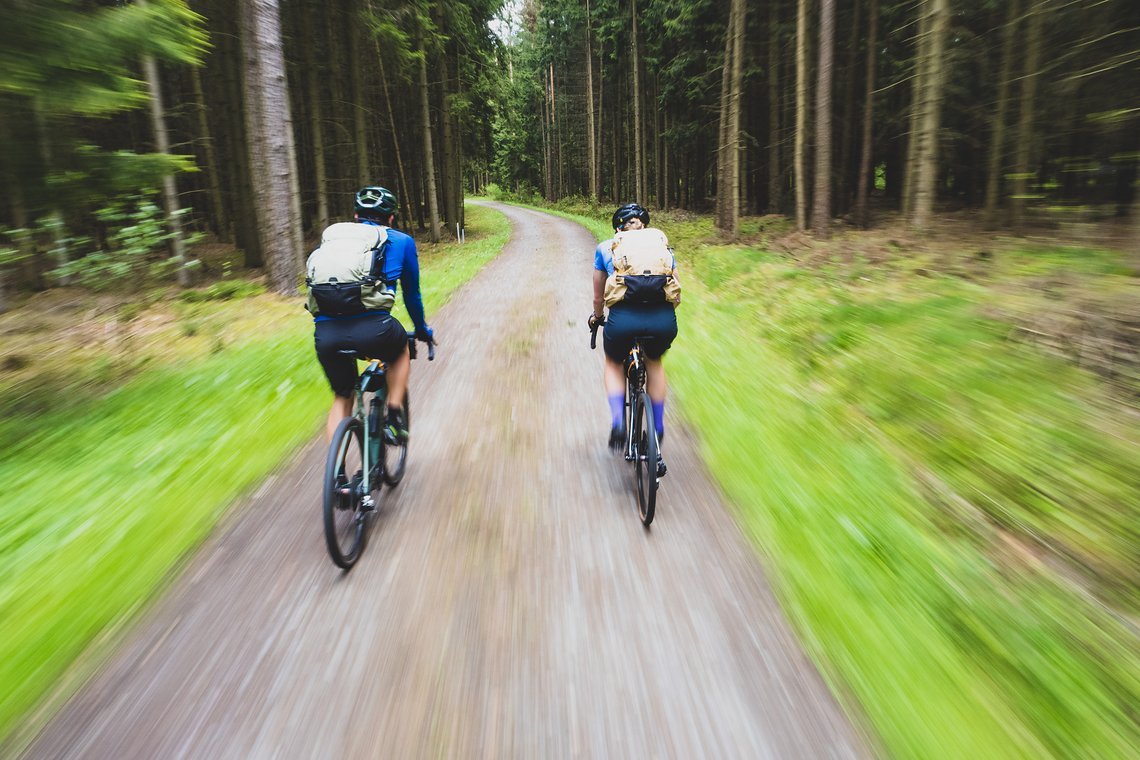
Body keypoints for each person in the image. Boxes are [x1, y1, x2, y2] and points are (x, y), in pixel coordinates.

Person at [311, 186, 432, 443]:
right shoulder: (401, 241)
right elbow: (412, 295)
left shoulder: (334, 241)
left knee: (342, 396)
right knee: (401, 350)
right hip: (375, 331)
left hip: (326, 334)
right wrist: (421, 329)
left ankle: (338, 475)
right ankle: (394, 416)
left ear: (355, 216)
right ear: (391, 218)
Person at [588, 203, 678, 475]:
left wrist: (596, 317)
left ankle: (618, 422)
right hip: (662, 320)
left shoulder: (607, 247)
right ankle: (658, 426)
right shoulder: (661, 247)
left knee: (614, 363)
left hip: (623, 320)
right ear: (644, 225)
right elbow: (675, 288)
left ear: (618, 228)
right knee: (654, 362)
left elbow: (598, 295)